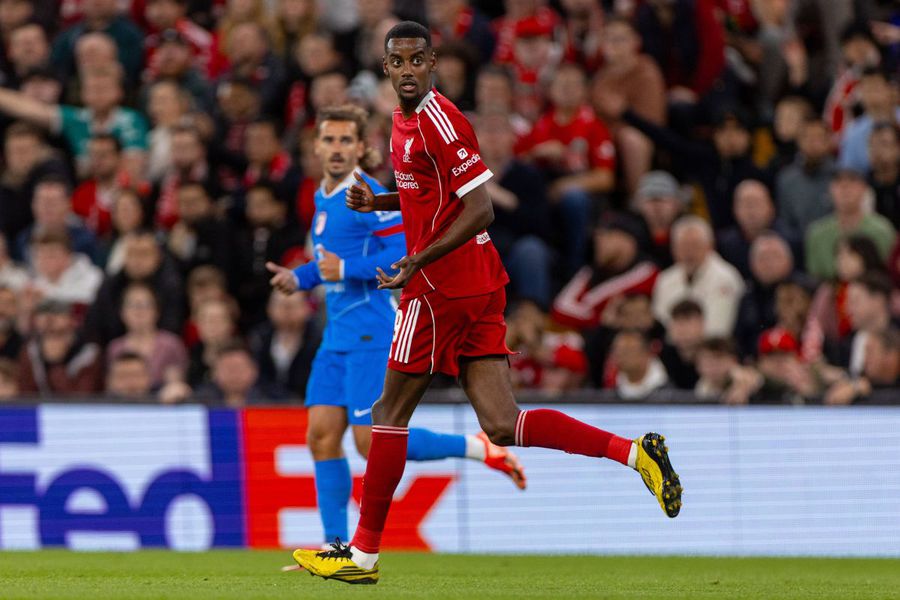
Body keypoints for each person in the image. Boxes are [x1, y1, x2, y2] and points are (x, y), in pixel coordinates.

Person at [288, 22, 682, 584]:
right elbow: (432, 192)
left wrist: (418, 260)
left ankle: (362, 555)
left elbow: (480, 209)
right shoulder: (404, 122)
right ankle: (634, 452)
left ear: (433, 63)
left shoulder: (441, 119)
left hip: (441, 286)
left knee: (386, 415)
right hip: (475, 282)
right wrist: (379, 199)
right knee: (502, 422)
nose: (406, 70)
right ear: (385, 68)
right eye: (396, 62)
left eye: (416, 61)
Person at [266, 103, 527, 548]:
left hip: (370, 331)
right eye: (328, 139)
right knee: (321, 437)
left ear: (361, 148)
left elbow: (404, 250)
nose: (336, 148)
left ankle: (478, 446)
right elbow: (328, 262)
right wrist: (299, 277)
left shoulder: (367, 195)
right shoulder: (322, 195)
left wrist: (345, 270)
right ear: (315, 147)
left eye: (346, 140)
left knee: (371, 443)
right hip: (337, 337)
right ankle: (333, 545)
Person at [652, 216, 745, 337]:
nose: (689, 252)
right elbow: (661, 323)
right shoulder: (665, 279)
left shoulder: (725, 278)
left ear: (710, 246)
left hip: (713, 350)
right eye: (683, 245)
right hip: (673, 350)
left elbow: (718, 329)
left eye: (695, 245)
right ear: (673, 249)